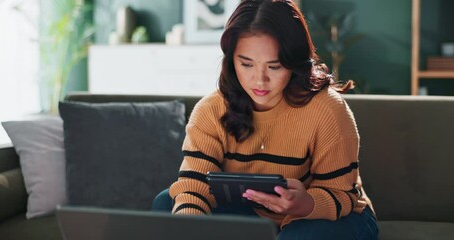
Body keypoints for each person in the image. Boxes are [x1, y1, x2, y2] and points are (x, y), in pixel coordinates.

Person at [152, 0, 378, 239]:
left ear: (294, 63)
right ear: (231, 60)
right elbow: (193, 186)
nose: (259, 80)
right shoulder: (211, 111)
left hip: (332, 216)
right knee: (168, 203)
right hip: (255, 213)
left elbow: (343, 195)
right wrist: (188, 228)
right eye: (246, 64)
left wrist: (307, 204)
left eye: (275, 66)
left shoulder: (327, 110)